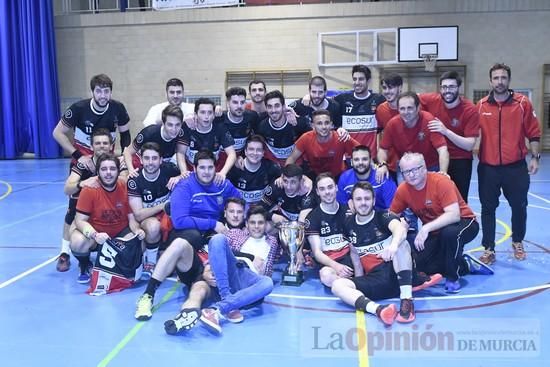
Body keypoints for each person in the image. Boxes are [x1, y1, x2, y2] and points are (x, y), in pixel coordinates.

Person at [134, 149, 242, 321]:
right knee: (180, 243)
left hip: (210, 247)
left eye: (210, 168)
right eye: (202, 168)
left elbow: (242, 203)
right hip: (189, 240)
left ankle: (198, 311)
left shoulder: (222, 184)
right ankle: (148, 295)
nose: (206, 172)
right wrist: (213, 223)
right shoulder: (184, 186)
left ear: (215, 168)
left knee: (201, 288)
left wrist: (249, 222)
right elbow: (179, 221)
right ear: (194, 168)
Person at [389, 153, 489, 294]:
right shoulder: (403, 190)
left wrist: (426, 228)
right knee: (420, 264)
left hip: (465, 222)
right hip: (436, 232)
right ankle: (464, 264)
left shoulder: (440, 182)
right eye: (406, 171)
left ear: (424, 168)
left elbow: (454, 215)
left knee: (449, 234)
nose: (411, 174)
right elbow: (391, 216)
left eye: (415, 169)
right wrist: (399, 224)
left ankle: (453, 278)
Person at [476, 63, 541, 264]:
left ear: (509, 80)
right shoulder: (481, 105)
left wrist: (535, 158)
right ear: (490, 81)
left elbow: (533, 133)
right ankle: (488, 248)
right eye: (496, 78)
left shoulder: (523, 104)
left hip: (515, 167)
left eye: (503, 78)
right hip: (488, 168)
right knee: (488, 209)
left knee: (519, 206)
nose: (500, 81)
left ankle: (517, 241)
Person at [331, 182, 416, 326]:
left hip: (396, 274)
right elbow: (354, 254)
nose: (363, 203)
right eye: (359, 199)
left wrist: (393, 246)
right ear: (351, 203)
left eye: (367, 198)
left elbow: (400, 230)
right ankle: (379, 310)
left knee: (402, 244)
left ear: (374, 200)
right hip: (375, 280)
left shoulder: (383, 216)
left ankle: (407, 300)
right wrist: (359, 280)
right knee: (337, 285)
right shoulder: (348, 224)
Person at [199, 206, 279, 335]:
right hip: (235, 270)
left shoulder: (273, 242)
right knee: (217, 238)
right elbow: (216, 249)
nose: (256, 226)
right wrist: (207, 268)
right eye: (252, 222)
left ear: (266, 225)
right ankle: (226, 299)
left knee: (268, 283)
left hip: (251, 282)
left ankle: (218, 308)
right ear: (246, 224)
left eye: (260, 223)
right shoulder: (236, 234)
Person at [70, 153, 145, 284]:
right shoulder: (89, 190)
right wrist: (94, 235)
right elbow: (80, 220)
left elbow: (131, 217)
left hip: (120, 232)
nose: (108, 173)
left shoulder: (125, 186)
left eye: (112, 169)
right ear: (98, 172)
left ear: (118, 171)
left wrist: (137, 230)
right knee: (77, 241)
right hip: (96, 234)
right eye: (104, 169)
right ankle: (85, 264)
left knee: (140, 242)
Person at [57, 128, 119, 272]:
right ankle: (72, 256)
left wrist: (99, 180)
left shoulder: (117, 163)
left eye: (105, 143)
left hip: (110, 211)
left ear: (111, 146)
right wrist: (81, 184)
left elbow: (123, 182)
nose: (102, 146)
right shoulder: (83, 164)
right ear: (91, 146)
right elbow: (67, 189)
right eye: (97, 143)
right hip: (85, 212)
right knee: (73, 207)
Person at [420, 71, 479, 202]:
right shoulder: (432, 100)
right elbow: (411, 100)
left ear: (459, 88)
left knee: (459, 200)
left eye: (451, 87)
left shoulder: (470, 109)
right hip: (436, 159)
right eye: (444, 87)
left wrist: (446, 131)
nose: (447, 91)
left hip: (460, 160)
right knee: (436, 201)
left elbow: (469, 145)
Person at [52, 74, 131, 172]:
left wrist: (124, 155)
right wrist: (78, 156)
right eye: (98, 91)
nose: (102, 95)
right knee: (72, 186)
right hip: (83, 161)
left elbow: (125, 134)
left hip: (107, 162)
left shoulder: (118, 108)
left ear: (111, 93)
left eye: (106, 91)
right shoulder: (78, 109)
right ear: (91, 92)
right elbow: (57, 133)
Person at [127, 143, 182, 277]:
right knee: (152, 227)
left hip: (168, 219)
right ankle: (150, 263)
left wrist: (180, 177)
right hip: (146, 221)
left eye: (154, 158)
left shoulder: (170, 171)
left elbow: (189, 177)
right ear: (140, 160)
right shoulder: (135, 180)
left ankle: (160, 251)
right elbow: (139, 215)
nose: (150, 162)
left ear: (161, 160)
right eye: (147, 158)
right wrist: (163, 205)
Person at [305, 174, 354, 288]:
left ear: (336, 188)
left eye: (330, 187)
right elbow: (317, 253)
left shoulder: (349, 211)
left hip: (351, 258)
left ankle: (348, 285)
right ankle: (351, 285)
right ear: (317, 192)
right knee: (326, 276)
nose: (327, 192)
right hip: (330, 262)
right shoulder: (312, 218)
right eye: (322, 189)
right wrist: (336, 266)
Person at [286, 109, 358, 179]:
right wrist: (285, 176)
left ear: (331, 124)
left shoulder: (341, 137)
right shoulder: (306, 138)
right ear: (313, 126)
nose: (324, 127)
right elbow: (291, 158)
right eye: (319, 123)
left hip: (339, 176)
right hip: (315, 176)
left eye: (326, 123)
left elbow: (363, 152)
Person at [181, 98, 237, 184]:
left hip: (213, 174)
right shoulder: (188, 126)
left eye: (210, 113)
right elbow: (180, 153)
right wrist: (184, 172)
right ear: (195, 114)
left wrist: (223, 173)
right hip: (191, 174)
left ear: (214, 115)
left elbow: (232, 154)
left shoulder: (220, 128)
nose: (206, 117)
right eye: (202, 112)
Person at [333, 64, 385, 156]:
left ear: (368, 81)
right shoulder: (342, 100)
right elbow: (323, 105)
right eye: (354, 79)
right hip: (349, 158)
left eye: (361, 79)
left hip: (370, 159)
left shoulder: (379, 100)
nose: (357, 82)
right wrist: (308, 98)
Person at [123, 105, 188, 177]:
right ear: (163, 123)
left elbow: (180, 153)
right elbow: (127, 151)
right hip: (140, 163)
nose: (174, 129)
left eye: (177, 125)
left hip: (161, 165)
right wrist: (131, 170)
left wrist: (183, 173)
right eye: (170, 125)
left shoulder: (181, 133)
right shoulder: (149, 133)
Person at [254, 90, 310, 167]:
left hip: (296, 164)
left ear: (283, 107)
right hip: (274, 165)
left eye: (277, 106)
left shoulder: (298, 123)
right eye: (269, 107)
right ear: (266, 108)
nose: (273, 110)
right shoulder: (261, 125)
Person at [337, 145, 396, 210]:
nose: (360, 163)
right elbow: (341, 208)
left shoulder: (383, 178)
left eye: (364, 159)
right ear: (351, 162)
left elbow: (393, 209)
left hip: (380, 216)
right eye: (356, 160)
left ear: (370, 161)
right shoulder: (344, 179)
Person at [227, 135, 281, 205]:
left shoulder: (271, 167)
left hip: (261, 211)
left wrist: (281, 179)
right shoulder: (235, 168)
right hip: (239, 211)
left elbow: (285, 176)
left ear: (263, 153)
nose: (255, 153)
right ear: (245, 151)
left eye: (259, 150)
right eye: (251, 149)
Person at [214, 87, 259, 165]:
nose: (239, 106)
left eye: (242, 102)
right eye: (235, 102)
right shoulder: (218, 118)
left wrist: (243, 156)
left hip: (241, 159)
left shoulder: (252, 116)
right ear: (228, 103)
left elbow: (256, 138)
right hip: (219, 160)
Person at [375, 73, 403, 183]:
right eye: (384, 88)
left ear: (400, 88)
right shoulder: (381, 109)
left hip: (408, 163)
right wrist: (381, 161)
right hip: (389, 163)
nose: (387, 91)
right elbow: (379, 135)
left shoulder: (410, 107)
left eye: (391, 87)